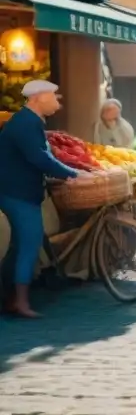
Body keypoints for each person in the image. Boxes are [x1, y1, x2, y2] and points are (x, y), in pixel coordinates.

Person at [0, 80, 80, 318]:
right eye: (53, 97)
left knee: (19, 246)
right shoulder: (25, 123)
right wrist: (72, 173)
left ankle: (11, 297)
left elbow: (43, 155)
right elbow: (40, 158)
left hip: (18, 191)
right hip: (18, 194)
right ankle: (20, 303)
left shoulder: (30, 121)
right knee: (29, 244)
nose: (57, 102)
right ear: (38, 98)